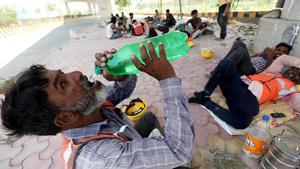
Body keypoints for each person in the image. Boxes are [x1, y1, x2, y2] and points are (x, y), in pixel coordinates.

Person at [1, 42, 195, 169]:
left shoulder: (86, 107)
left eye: (63, 73)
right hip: (130, 155)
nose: (76, 73)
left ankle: (155, 150)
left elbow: (122, 90)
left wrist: (121, 73)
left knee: (149, 119)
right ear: (65, 118)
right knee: (179, 160)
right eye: (63, 83)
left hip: (126, 142)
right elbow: (179, 151)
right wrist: (167, 78)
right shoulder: (105, 159)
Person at [189, 53, 300, 129]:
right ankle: (205, 93)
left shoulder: (291, 90)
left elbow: (297, 104)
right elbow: (283, 58)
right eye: (294, 69)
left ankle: (205, 102)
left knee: (242, 123)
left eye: (299, 75)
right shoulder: (274, 72)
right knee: (227, 64)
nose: (294, 73)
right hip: (238, 85)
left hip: (249, 98)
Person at [222, 39, 293, 76]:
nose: (280, 52)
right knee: (238, 44)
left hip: (252, 71)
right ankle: (222, 68)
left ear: (287, 54)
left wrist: (269, 52)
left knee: (240, 46)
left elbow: (267, 66)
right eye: (278, 50)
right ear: (275, 49)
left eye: (284, 51)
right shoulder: (268, 54)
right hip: (246, 65)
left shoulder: (279, 62)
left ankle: (222, 68)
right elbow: (252, 56)